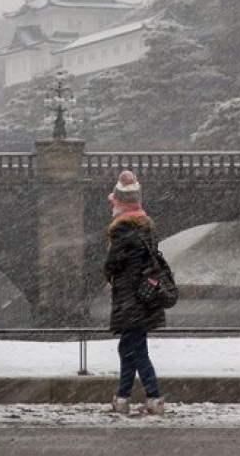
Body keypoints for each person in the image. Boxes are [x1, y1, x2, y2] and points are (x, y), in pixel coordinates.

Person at [103, 170, 165, 416]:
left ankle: (154, 396)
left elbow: (112, 264)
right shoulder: (146, 229)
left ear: (119, 204)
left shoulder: (122, 231)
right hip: (144, 297)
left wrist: (109, 270)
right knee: (129, 348)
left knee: (136, 350)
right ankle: (122, 397)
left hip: (130, 300)